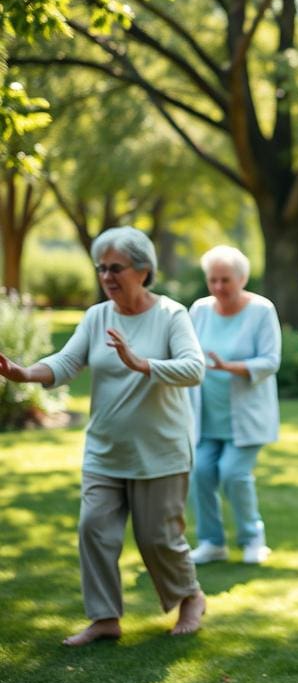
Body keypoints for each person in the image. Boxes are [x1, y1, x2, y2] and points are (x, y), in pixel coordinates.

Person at [0, 227, 206, 646]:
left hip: (160, 451)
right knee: (93, 527)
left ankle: (190, 596)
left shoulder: (170, 315)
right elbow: (66, 360)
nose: (107, 276)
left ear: (143, 270)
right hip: (105, 449)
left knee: (158, 539)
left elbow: (194, 368)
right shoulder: (97, 317)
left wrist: (143, 363)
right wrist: (25, 373)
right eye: (101, 268)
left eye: (116, 268)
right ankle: (105, 618)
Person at [188, 246, 281, 566]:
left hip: (246, 415)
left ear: (242, 278)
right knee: (200, 472)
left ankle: (253, 537)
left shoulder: (261, 310)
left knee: (232, 473)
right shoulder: (199, 310)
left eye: (225, 280)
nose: (218, 287)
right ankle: (212, 542)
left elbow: (271, 361)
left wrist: (230, 367)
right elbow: (184, 353)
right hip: (207, 416)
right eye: (212, 280)